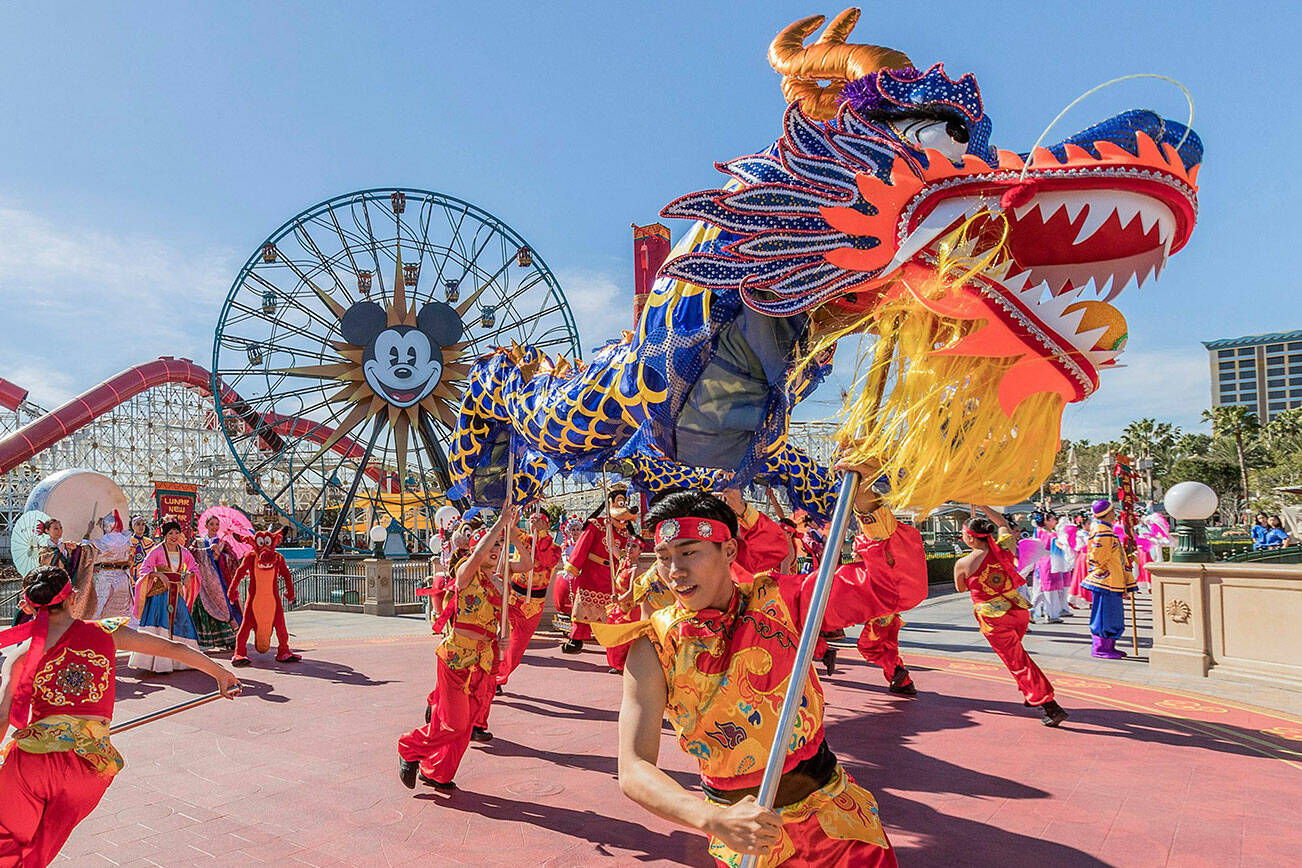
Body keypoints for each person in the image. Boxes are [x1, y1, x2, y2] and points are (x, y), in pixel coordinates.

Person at [611, 479, 928, 866]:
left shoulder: (784, 600)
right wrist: (712, 817)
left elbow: (895, 587)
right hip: (750, 842)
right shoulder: (652, 647)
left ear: (728, 550)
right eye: (663, 556)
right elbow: (634, 768)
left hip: (838, 827)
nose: (674, 571)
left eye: (688, 552)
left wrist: (869, 505)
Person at [0, 565, 240, 865]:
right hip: (89, 767)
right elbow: (172, 648)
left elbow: (2, 717)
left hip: (31, 762)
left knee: (7, 846)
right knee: (40, 850)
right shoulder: (106, 633)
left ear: (27, 604)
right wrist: (219, 673)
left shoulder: (21, 654)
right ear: (73, 597)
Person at [399, 509, 530, 790]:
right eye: (490, 545)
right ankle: (409, 749)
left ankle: (437, 772)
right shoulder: (466, 573)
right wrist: (500, 525)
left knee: (465, 725)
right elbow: (478, 552)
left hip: (483, 659)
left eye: (499, 546)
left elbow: (526, 567)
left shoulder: (499, 580)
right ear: (476, 548)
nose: (495, 550)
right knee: (455, 723)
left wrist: (501, 639)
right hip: (457, 656)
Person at [955, 509, 1068, 726]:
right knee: (1017, 656)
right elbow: (1003, 523)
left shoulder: (964, 563)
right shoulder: (1004, 548)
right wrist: (983, 505)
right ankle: (1030, 691)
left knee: (1018, 662)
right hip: (1017, 612)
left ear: (969, 537)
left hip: (994, 618)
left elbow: (961, 588)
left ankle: (1049, 705)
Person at [556, 485, 640, 662]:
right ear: (610, 503)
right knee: (583, 606)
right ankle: (576, 638)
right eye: (620, 502)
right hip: (592, 572)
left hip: (613, 575)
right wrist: (572, 567)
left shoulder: (626, 530)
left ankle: (609, 640)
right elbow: (582, 546)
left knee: (611, 609)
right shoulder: (596, 525)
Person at [497, 509, 562, 688]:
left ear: (547, 524)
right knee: (502, 638)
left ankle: (502, 676)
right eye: (532, 519)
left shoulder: (555, 549)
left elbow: (546, 559)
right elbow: (508, 530)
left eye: (539, 520)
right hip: (513, 598)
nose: (534, 521)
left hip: (534, 603)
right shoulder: (524, 539)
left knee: (517, 647)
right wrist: (513, 518)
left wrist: (540, 534)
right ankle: (493, 678)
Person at [128, 520, 201, 672]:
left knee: (181, 622)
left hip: (177, 593)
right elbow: (144, 569)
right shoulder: (157, 550)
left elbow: (194, 566)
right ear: (165, 535)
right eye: (170, 533)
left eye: (176, 533)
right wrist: (157, 574)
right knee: (159, 622)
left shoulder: (184, 552)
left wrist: (190, 574)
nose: (174, 536)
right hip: (159, 594)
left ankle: (181, 662)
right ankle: (155, 663)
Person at [1083, 499, 1136, 659]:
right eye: (1113, 511)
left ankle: (1109, 646)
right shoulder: (1103, 531)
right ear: (1107, 514)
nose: (1115, 514)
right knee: (1105, 615)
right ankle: (1100, 648)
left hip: (1111, 580)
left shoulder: (1104, 529)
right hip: (1106, 581)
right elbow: (1097, 556)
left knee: (1112, 614)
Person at [188, 515, 241, 652]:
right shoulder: (199, 542)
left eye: (217, 524)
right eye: (212, 524)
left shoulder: (223, 543)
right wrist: (207, 551)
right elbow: (190, 554)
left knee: (222, 606)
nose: (215, 527)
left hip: (219, 582)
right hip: (203, 582)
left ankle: (228, 639)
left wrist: (220, 556)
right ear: (206, 526)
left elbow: (233, 560)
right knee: (203, 608)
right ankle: (204, 641)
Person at [36, 520, 95, 621]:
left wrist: (77, 546)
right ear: (47, 531)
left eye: (60, 528)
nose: (59, 531)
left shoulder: (66, 545)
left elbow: (82, 552)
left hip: (67, 583)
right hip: (53, 585)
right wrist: (58, 551)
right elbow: (44, 562)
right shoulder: (44, 549)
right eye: (55, 528)